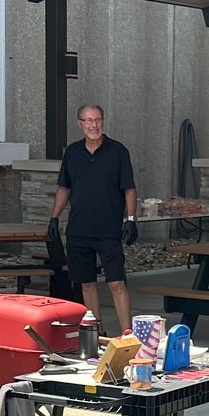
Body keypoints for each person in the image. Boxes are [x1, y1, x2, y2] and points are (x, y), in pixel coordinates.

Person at [50, 104, 137, 333]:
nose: (93, 125)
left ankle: (127, 334)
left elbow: (129, 188)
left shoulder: (118, 151)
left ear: (103, 122)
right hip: (79, 229)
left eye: (97, 120)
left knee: (116, 282)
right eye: (88, 121)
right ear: (80, 124)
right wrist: (54, 217)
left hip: (108, 230)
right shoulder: (72, 153)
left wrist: (130, 219)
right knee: (86, 284)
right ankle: (96, 334)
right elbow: (64, 187)